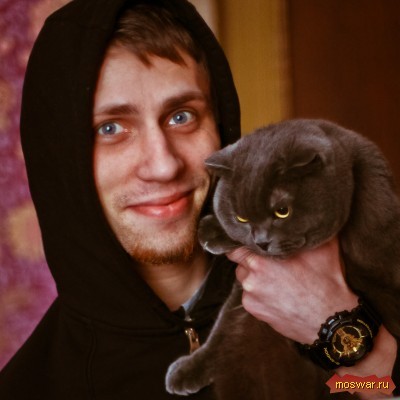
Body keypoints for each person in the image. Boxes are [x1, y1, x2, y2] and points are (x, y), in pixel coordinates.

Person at [0, 0, 398, 399]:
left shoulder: (366, 272)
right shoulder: (32, 387)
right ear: (59, 158)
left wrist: (344, 335)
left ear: (220, 124)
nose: (163, 165)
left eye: (181, 116)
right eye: (111, 128)